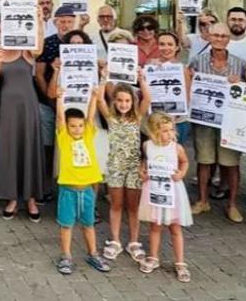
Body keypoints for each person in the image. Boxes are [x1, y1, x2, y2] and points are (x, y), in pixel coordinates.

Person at [186, 24, 246, 221]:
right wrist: (190, 79)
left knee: (231, 163)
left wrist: (241, 83)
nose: (219, 39)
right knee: (204, 161)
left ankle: (232, 204)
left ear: (229, 39)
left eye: (223, 36)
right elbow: (187, 85)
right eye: (215, 35)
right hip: (204, 120)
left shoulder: (239, 63)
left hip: (230, 121)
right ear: (208, 37)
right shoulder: (197, 61)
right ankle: (203, 201)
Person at [53, 85, 112, 275]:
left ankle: (93, 253)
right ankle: (66, 256)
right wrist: (60, 99)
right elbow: (61, 119)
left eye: (79, 126)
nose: (77, 129)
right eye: (73, 126)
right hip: (68, 191)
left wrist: (94, 97)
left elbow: (90, 116)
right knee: (66, 225)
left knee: (88, 225)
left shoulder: (87, 134)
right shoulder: (64, 138)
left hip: (87, 190)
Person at [0, 16, 46, 222]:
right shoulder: (1, 50)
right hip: (7, 106)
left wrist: (39, 20)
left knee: (29, 147)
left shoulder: (28, 50)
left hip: (28, 105)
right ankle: (12, 198)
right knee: (10, 149)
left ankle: (31, 198)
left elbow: (39, 48)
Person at [98, 82, 150, 264]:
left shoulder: (137, 118)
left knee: (133, 207)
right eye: (119, 100)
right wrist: (103, 78)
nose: (123, 104)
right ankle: (115, 240)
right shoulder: (110, 118)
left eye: (127, 100)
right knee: (116, 205)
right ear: (114, 101)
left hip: (134, 168)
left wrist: (141, 79)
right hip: (115, 167)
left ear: (132, 101)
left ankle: (134, 242)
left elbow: (147, 98)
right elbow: (99, 99)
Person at [137, 112, 193, 282]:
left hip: (172, 191)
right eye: (164, 131)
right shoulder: (148, 146)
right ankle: (153, 257)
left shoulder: (176, 148)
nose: (169, 134)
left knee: (175, 227)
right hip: (154, 189)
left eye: (171, 130)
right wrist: (143, 172)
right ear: (154, 131)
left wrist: (181, 174)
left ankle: (180, 262)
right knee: (155, 226)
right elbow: (145, 162)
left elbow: (184, 161)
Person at [36, 5, 80, 197]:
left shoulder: (82, 43)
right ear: (55, 23)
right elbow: (38, 74)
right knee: (47, 147)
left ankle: (70, 188)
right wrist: (51, 98)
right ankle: (45, 188)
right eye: (62, 21)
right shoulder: (48, 43)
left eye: (69, 21)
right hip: (48, 103)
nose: (65, 25)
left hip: (75, 105)